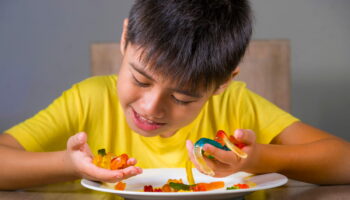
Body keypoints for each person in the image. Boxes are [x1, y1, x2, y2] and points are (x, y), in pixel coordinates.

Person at [1, 0, 349, 190]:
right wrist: (67, 165)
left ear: (222, 83)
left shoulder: (236, 104)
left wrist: (262, 160)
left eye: (183, 99)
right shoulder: (87, 100)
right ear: (125, 39)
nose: (151, 107)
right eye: (140, 79)